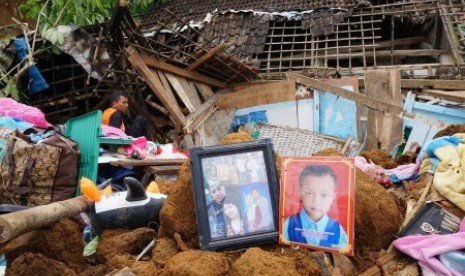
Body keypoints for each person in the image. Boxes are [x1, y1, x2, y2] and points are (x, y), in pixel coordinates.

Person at [283, 165, 348, 249]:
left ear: (333, 197)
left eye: (324, 195)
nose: (316, 201)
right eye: (309, 193)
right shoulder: (289, 224)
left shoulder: (338, 230)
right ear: (300, 192)